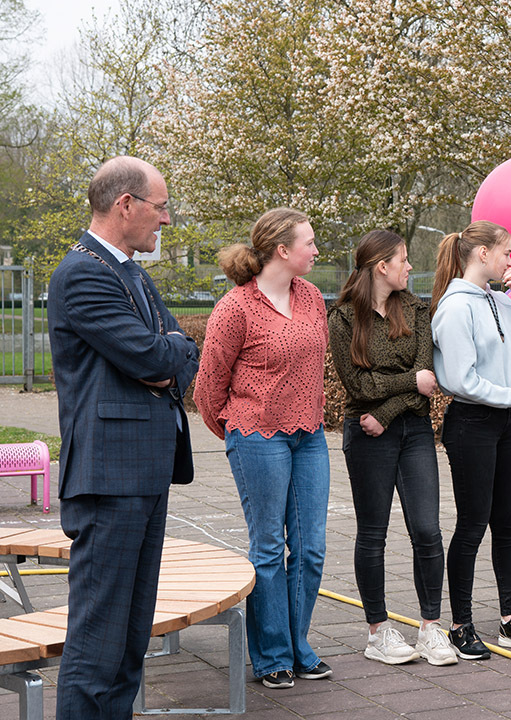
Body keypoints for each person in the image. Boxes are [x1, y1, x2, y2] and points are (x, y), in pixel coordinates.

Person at [49, 156, 199, 719]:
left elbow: (176, 354)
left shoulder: (131, 270)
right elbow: (150, 354)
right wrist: (167, 355)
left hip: (144, 471)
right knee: (98, 639)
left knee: (132, 636)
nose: (166, 220)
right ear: (125, 205)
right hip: (109, 476)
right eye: (160, 208)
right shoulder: (84, 272)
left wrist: (168, 355)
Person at [193, 208, 332, 689]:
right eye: (309, 243)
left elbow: (314, 368)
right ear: (282, 250)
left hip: (310, 436)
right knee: (269, 548)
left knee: (311, 549)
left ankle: (298, 644)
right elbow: (208, 387)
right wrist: (239, 433)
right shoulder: (236, 307)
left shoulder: (312, 298)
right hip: (257, 438)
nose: (316, 251)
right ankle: (273, 654)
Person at [328, 229, 457, 667]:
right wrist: (404, 389)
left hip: (411, 431)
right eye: (402, 259)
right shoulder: (344, 318)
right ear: (381, 266)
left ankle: (430, 627)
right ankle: (378, 630)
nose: (408, 266)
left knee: (427, 529)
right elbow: (359, 385)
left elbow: (427, 382)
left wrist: (386, 412)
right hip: (364, 437)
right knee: (373, 533)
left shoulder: (418, 310)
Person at [430, 220, 511, 659]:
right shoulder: (454, 308)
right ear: (483, 254)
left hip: (506, 423)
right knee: (471, 524)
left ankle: (509, 618)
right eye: (507, 253)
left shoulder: (502, 300)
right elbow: (462, 381)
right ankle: (460, 624)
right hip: (472, 424)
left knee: (506, 523)